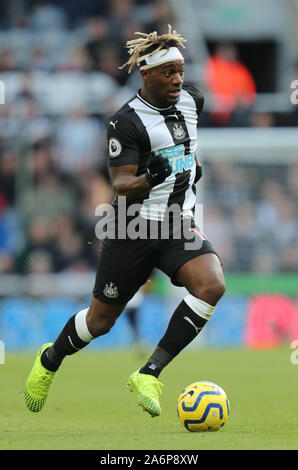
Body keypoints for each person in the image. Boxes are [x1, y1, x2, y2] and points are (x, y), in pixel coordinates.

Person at [24, 25, 225, 417]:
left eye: (181, 71)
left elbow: (189, 146)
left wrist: (191, 168)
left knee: (211, 284)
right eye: (168, 72)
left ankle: (149, 372)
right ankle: (49, 359)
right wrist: (151, 176)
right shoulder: (126, 121)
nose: (178, 79)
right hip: (132, 229)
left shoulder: (192, 101)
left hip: (175, 223)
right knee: (100, 323)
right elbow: (120, 185)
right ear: (146, 74)